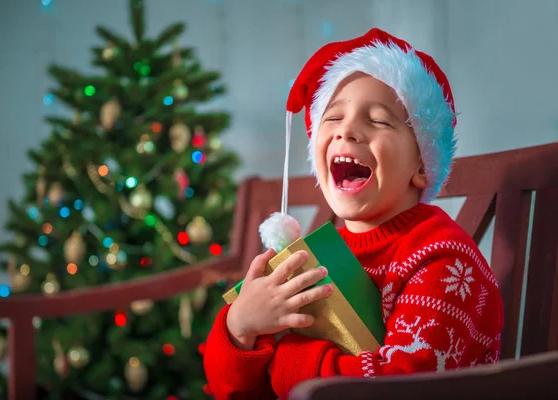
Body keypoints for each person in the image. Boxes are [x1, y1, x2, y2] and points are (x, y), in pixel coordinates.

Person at [203, 27, 504, 400]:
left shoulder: (443, 260)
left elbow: (407, 383)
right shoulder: (316, 258)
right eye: (333, 118)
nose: (347, 131)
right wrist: (240, 328)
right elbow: (231, 392)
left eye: (377, 121)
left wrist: (285, 361)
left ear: (422, 166)